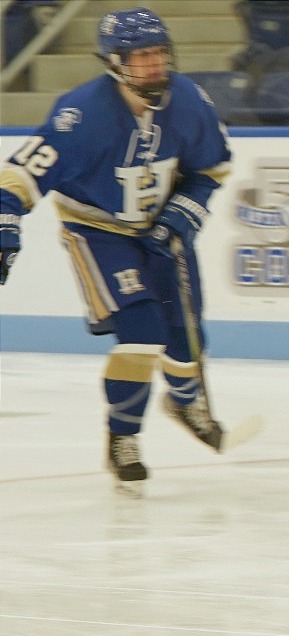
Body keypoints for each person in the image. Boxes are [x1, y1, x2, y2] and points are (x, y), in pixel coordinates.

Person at [0, 7, 233, 495]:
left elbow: (211, 169)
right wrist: (6, 227)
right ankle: (123, 438)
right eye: (140, 57)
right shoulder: (80, 116)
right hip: (99, 232)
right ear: (114, 62)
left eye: (158, 54)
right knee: (142, 333)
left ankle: (185, 400)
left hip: (162, 230)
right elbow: (18, 176)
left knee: (185, 344)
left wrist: (181, 215)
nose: (152, 66)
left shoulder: (189, 101)